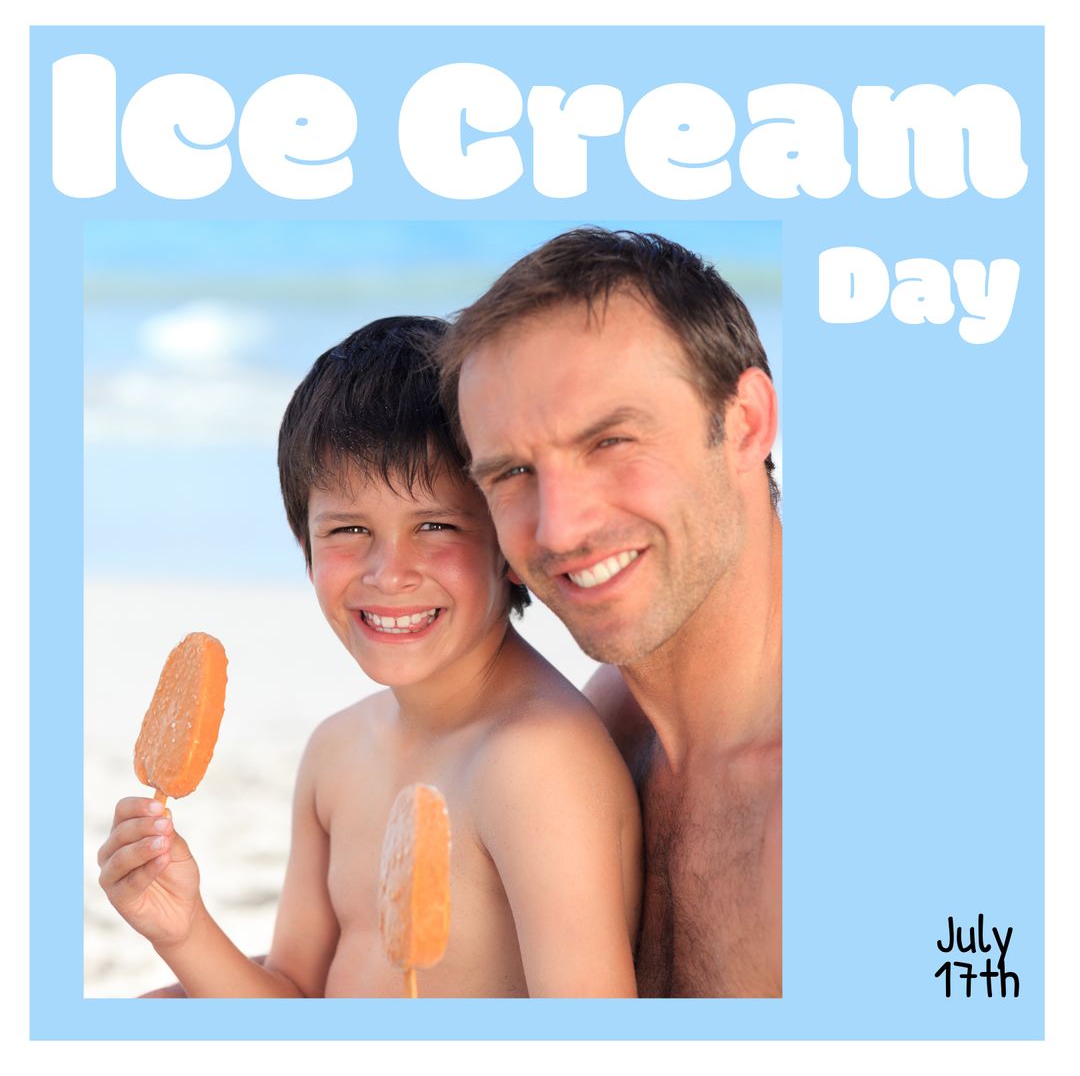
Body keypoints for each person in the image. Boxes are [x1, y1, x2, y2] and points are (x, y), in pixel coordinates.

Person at [97, 316, 641, 998]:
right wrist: (181, 929)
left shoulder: (535, 766)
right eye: (350, 530)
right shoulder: (336, 751)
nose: (390, 573)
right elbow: (295, 1000)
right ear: (305, 549)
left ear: (509, 543)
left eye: (435, 526)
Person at [435, 230, 782, 998]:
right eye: (514, 473)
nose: (559, 528)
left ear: (747, 422)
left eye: (611, 441)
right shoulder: (600, 740)